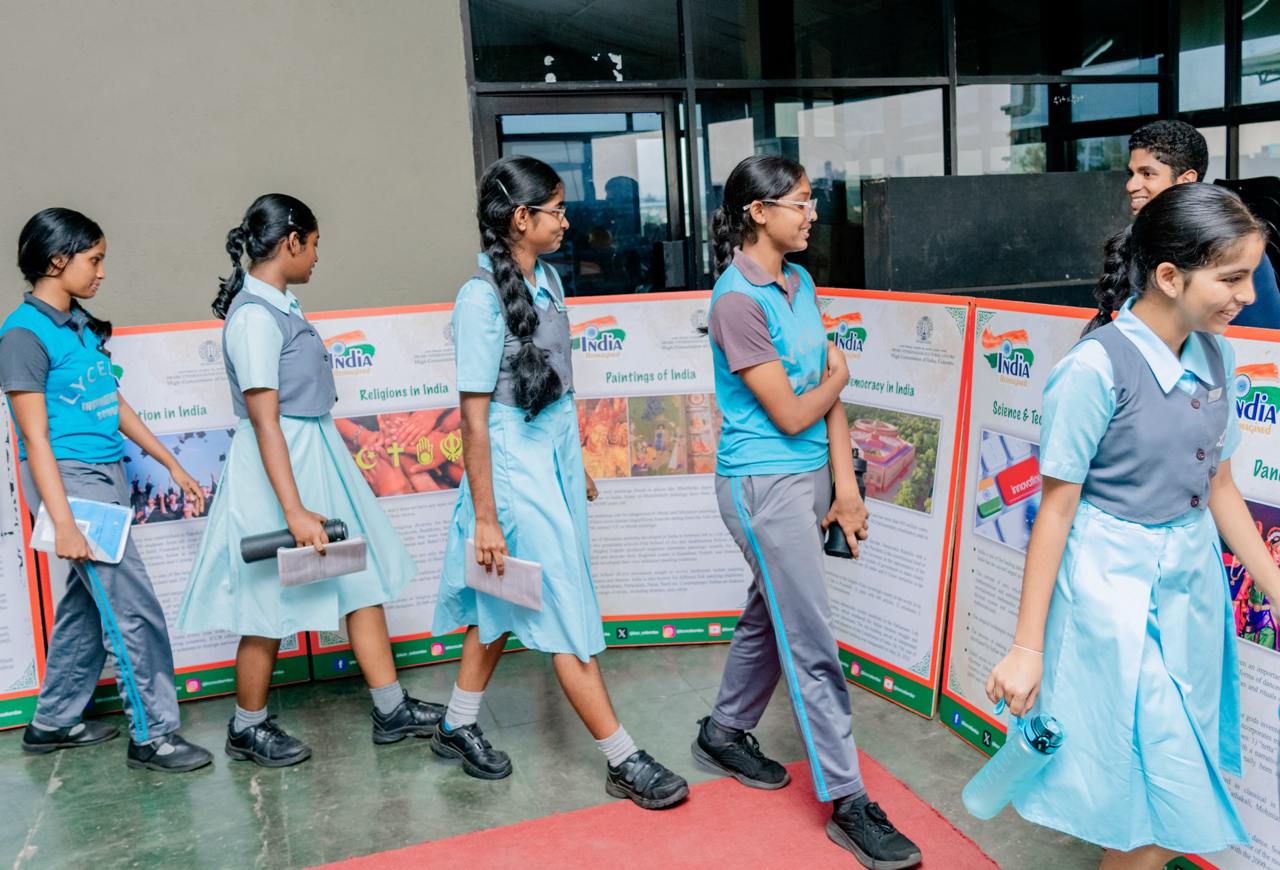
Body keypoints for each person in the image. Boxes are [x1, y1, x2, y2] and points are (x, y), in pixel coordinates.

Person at [986, 182, 1280, 869]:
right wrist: (1027, 649)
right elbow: (1054, 510)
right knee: (1154, 791)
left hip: (1191, 586)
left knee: (1161, 791)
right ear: (1171, 276)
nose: (1247, 294)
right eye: (1232, 278)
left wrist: (1272, 584)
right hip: (1110, 592)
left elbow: (1220, 486)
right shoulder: (1092, 369)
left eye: (1251, 276)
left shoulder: (1215, 354)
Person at [430, 155, 688, 810]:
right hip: (513, 462)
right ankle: (622, 757)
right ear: (522, 217)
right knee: (565, 607)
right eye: (558, 210)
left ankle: (457, 723)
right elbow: (475, 418)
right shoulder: (477, 297)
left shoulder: (545, 278)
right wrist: (487, 517)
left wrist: (575, 466)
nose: (570, 221)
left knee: (500, 594)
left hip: (550, 454)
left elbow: (554, 387)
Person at [693, 155, 922, 869]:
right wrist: (841, 377)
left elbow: (825, 398)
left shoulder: (799, 281)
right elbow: (794, 409)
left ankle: (724, 732)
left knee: (775, 610)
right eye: (799, 202)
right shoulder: (736, 300)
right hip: (762, 485)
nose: (813, 212)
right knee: (811, 640)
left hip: (813, 479)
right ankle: (849, 801)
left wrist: (847, 486)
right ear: (758, 212)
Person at [178, 194, 444, 767]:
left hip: (314, 452)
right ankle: (246, 728)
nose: (319, 255)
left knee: (357, 578)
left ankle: (391, 708)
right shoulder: (252, 318)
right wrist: (294, 510)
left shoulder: (283, 306)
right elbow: (265, 419)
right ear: (292, 239)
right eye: (316, 243)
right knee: (267, 600)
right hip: (277, 466)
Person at [2, 208, 212, 771]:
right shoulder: (23, 335)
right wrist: (64, 518)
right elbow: (35, 438)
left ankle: (51, 721)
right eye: (93, 260)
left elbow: (109, 402)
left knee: (87, 608)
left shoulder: (76, 325)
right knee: (134, 609)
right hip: (72, 482)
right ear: (56, 259)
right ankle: (154, 735)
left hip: (105, 474)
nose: (101, 272)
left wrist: (172, 462)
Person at [1127, 119, 1280, 328]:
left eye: (1147, 174)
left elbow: (1263, 340)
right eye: (1132, 174)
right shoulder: (1138, 242)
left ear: (1187, 180)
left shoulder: (1231, 244)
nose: (1131, 185)